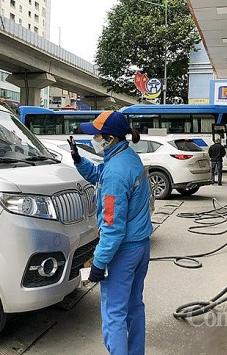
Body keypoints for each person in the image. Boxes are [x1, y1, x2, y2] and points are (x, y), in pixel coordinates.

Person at [68, 111, 153, 355]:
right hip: (140, 246)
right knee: (134, 307)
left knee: (114, 313)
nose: (93, 138)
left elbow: (113, 228)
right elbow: (99, 176)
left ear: (110, 138)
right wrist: (78, 159)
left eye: (96, 135)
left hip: (123, 253)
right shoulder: (127, 157)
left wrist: (99, 262)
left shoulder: (116, 171)